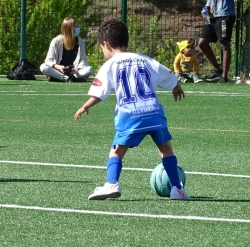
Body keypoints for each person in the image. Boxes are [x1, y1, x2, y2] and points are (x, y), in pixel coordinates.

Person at [74, 19, 190, 201]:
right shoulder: (145, 59)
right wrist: (176, 87)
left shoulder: (110, 65)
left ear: (106, 44)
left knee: (117, 150)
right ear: (127, 42)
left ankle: (111, 184)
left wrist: (85, 106)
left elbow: (100, 93)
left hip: (130, 115)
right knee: (165, 149)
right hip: (154, 113)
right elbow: (167, 74)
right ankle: (177, 189)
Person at [198, 0, 236, 84]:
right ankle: (217, 69)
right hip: (213, 16)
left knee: (224, 43)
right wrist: (207, 7)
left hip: (225, 15)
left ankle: (224, 76)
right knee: (202, 42)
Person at [40, 17, 93, 82]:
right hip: (58, 71)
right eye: (76, 27)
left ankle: (66, 78)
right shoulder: (56, 41)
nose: (78, 29)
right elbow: (48, 61)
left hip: (74, 72)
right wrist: (59, 67)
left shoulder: (80, 41)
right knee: (43, 67)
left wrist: (77, 69)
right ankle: (67, 78)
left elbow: (83, 60)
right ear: (70, 29)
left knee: (89, 69)